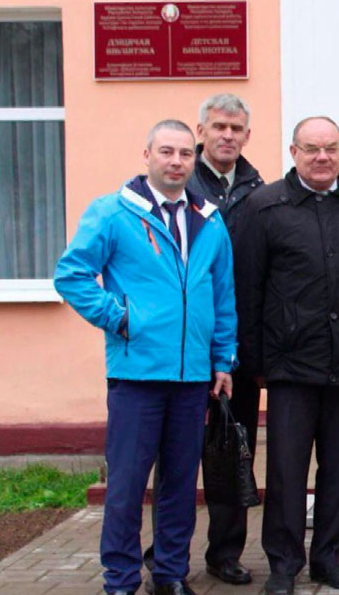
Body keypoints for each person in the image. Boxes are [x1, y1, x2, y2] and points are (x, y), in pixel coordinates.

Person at [54, 120, 236, 595]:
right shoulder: (113, 213)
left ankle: (171, 573)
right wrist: (120, 318)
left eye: (184, 154)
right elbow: (71, 275)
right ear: (147, 156)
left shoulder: (210, 222)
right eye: (166, 152)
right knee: (128, 486)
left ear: (193, 161)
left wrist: (222, 360)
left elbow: (222, 297)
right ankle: (121, 577)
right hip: (136, 374)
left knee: (179, 487)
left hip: (193, 376)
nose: (176, 162)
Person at [234, 116, 339, 595]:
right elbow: (249, 289)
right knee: (286, 471)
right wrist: (255, 362)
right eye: (311, 149)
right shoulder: (264, 207)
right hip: (289, 366)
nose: (322, 157)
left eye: (330, 148)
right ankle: (284, 565)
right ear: (293, 152)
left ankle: (329, 557)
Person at [141, 93, 264, 591]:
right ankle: (163, 559)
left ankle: (224, 553)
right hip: (178, 351)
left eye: (236, 128)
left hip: (238, 347)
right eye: (218, 127)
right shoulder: (178, 181)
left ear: (247, 136)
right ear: (200, 131)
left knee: (232, 453)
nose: (227, 135)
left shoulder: (260, 189)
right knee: (175, 461)